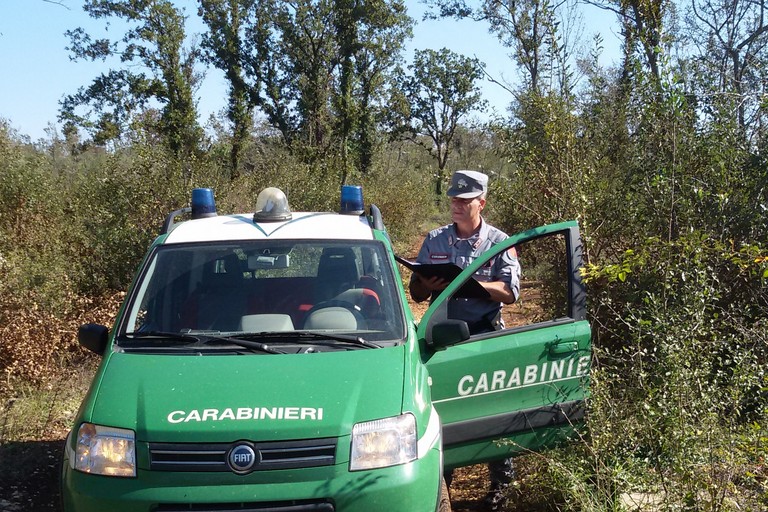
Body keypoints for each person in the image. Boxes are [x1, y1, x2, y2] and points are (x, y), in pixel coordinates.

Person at [409, 169, 521, 511]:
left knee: (493, 411)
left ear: (481, 203)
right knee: (444, 411)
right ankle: (445, 485)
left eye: (464, 200)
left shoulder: (500, 243)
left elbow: (511, 292)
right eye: (453, 200)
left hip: (484, 338)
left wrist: (471, 286)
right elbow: (415, 293)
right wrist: (426, 283)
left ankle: (500, 487)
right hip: (443, 340)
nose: (456, 205)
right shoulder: (435, 240)